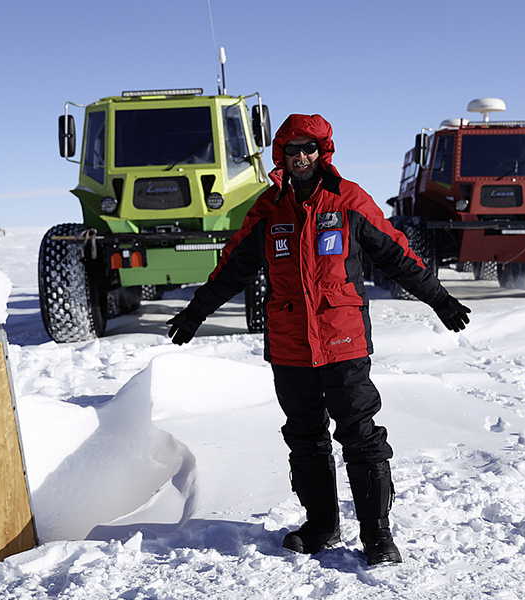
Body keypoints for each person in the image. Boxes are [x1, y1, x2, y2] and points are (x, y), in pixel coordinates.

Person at [167, 114, 470, 565]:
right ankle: (321, 526)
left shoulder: (349, 201)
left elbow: (396, 253)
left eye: (309, 149)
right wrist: (195, 314)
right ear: (282, 156)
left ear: (322, 152)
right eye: (293, 150)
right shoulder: (268, 210)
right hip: (290, 346)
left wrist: (440, 300)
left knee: (361, 436)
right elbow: (232, 267)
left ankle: (377, 535)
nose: (302, 157)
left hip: (342, 341)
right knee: (305, 438)